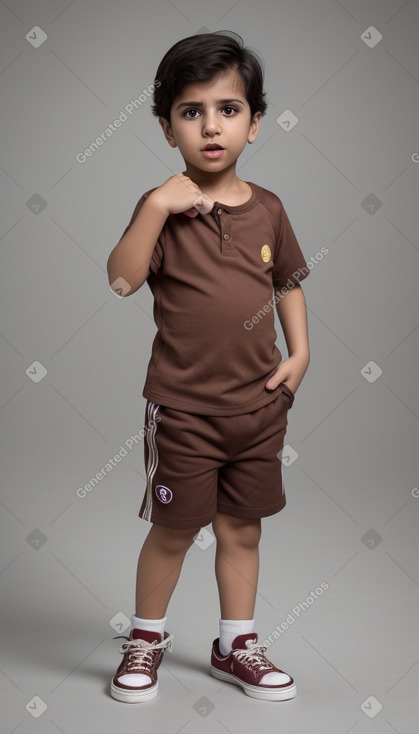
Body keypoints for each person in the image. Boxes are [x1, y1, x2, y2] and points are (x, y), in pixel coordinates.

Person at [107, 30, 310, 704]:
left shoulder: (270, 208)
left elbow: (287, 283)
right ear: (167, 128)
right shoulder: (159, 209)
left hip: (257, 407)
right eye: (190, 112)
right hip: (186, 409)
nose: (210, 125)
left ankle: (235, 643)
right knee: (173, 531)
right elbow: (121, 281)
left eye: (228, 108)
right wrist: (158, 206)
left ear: (254, 123)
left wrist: (300, 352)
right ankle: (146, 636)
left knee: (241, 529)